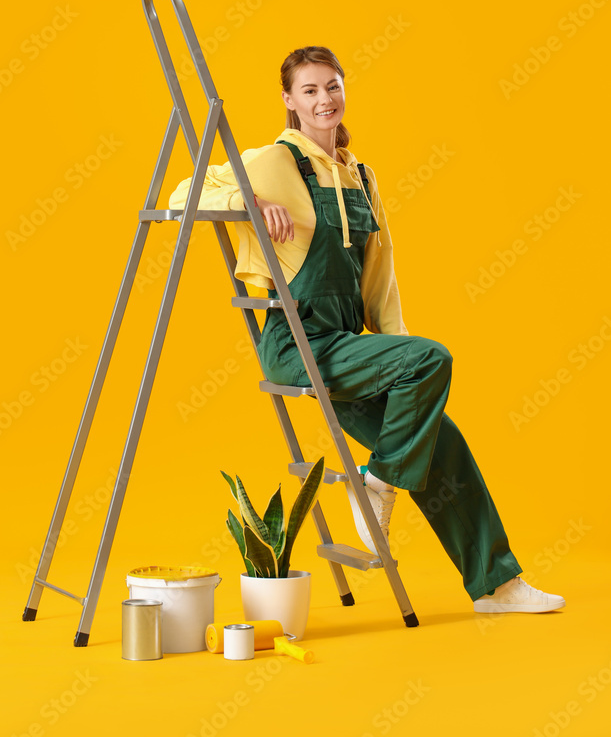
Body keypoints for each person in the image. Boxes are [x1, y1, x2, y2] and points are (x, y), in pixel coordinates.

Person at [168, 45, 565, 614]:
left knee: (444, 440)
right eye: (309, 91)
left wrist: (395, 348)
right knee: (433, 359)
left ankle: (497, 586)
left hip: (349, 345)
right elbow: (182, 194)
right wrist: (247, 199)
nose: (323, 99)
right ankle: (378, 482)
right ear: (289, 102)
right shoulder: (272, 161)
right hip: (298, 343)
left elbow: (380, 272)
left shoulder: (362, 176)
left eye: (332, 86)